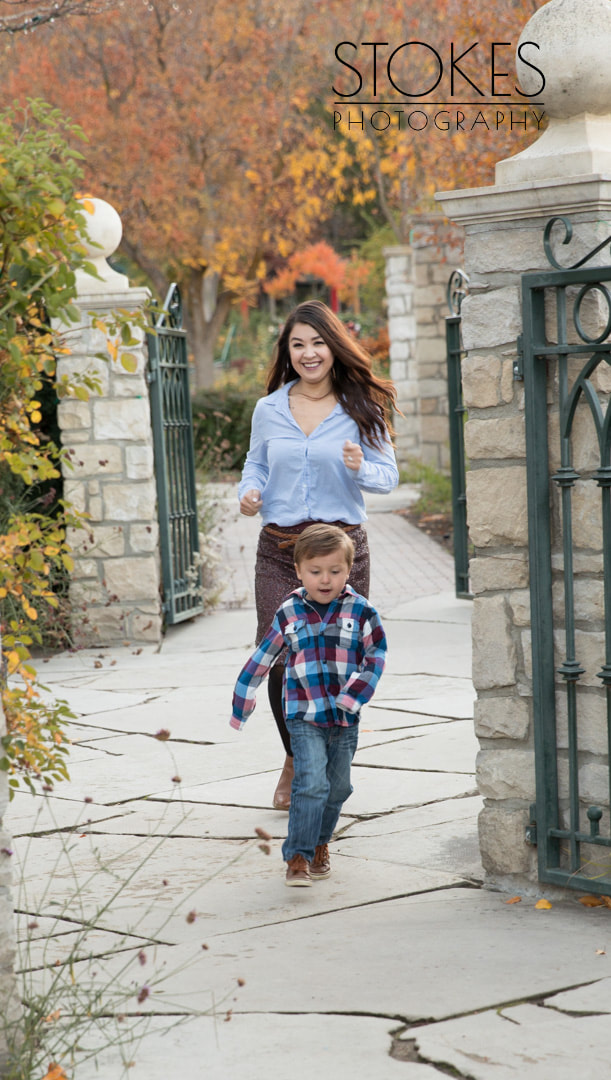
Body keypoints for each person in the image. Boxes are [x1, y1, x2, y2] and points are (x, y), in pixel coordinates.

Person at [238, 299, 398, 811]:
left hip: (339, 551)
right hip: (280, 550)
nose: (309, 353)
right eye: (298, 344)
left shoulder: (361, 407)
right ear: (287, 351)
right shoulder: (269, 409)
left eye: (318, 342)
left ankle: (313, 767)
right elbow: (255, 466)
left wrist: (358, 467)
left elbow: (388, 478)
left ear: (334, 346)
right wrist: (249, 493)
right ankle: (299, 760)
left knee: (333, 664)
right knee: (281, 657)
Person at [230, 523, 387, 886]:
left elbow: (376, 655)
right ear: (299, 571)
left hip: (344, 718)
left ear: (349, 570)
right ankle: (298, 856)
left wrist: (355, 694)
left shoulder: (362, 612)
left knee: (339, 788)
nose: (325, 579)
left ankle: (320, 842)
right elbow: (265, 655)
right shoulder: (289, 611)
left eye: (335, 571)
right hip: (303, 715)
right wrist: (243, 697)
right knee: (311, 784)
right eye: (315, 571)